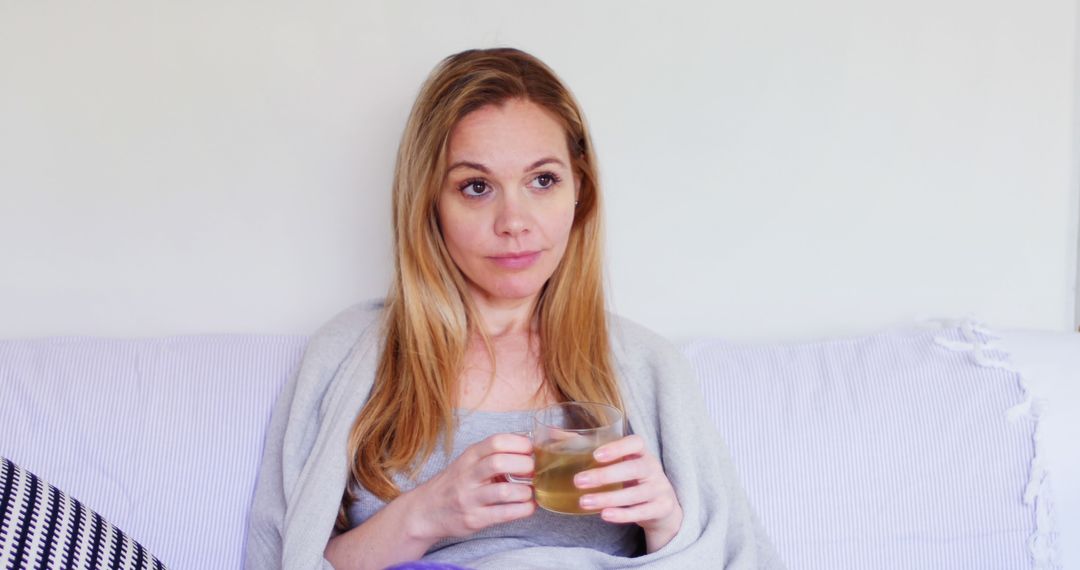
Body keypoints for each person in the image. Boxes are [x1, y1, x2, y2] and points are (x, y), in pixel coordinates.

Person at [244, 47, 782, 570]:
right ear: (430, 202)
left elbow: (740, 558)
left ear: (580, 193)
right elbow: (282, 560)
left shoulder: (647, 366)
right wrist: (427, 514)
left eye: (542, 181)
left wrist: (667, 525)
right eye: (476, 187)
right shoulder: (349, 353)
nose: (514, 222)